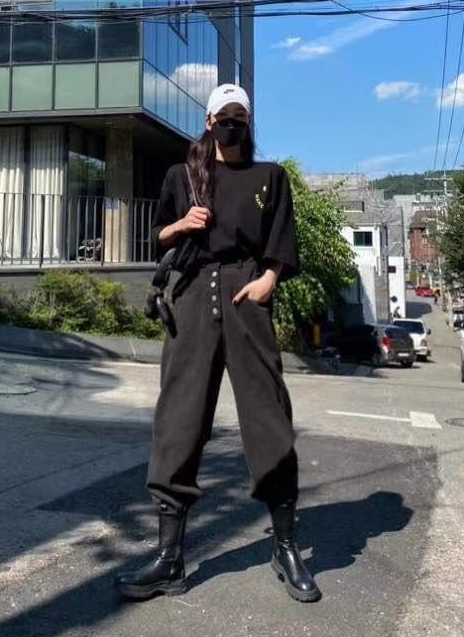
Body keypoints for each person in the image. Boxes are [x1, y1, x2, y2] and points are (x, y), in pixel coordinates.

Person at [117, 84, 321, 604]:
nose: (232, 124)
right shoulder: (181, 175)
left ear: (247, 122)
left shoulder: (269, 177)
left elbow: (281, 240)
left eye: (239, 117)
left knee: (268, 415)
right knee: (178, 419)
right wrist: (181, 223)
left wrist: (268, 280)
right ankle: (169, 558)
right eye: (223, 116)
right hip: (192, 295)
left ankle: (285, 545)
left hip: (246, 293)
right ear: (209, 121)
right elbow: (157, 236)